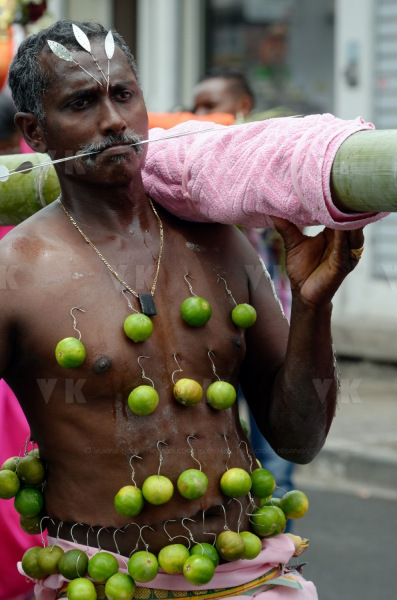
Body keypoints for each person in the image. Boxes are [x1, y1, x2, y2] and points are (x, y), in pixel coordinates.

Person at [1, 19, 375, 600]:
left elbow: (297, 440)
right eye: (82, 102)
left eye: (123, 94)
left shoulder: (219, 242)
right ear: (35, 132)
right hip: (102, 583)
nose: (113, 121)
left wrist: (310, 307)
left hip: (251, 574)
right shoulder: (14, 272)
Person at [192, 70, 295, 503]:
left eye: (208, 106)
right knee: (225, 459)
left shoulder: (259, 163)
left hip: (272, 334)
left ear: (243, 109)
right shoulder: (194, 170)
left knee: (275, 466)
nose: (198, 116)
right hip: (220, 336)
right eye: (193, 107)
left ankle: (278, 555)